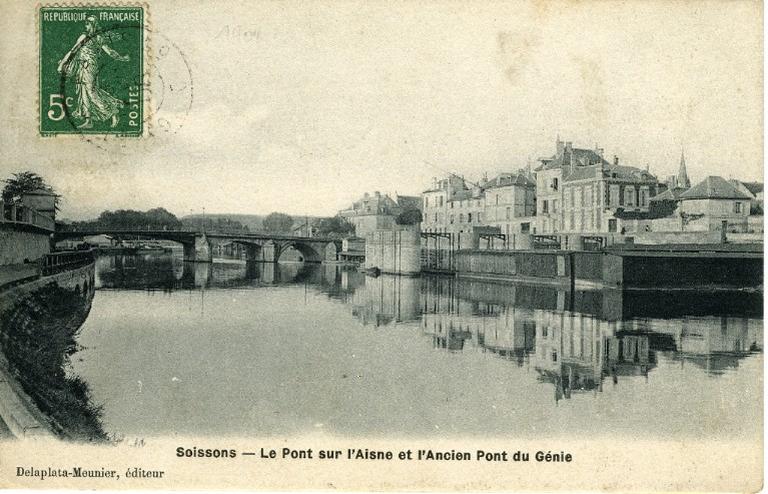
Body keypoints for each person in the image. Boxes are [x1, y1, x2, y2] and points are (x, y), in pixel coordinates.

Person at [57, 16, 130, 129]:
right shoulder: (83, 37)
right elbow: (72, 51)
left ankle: (113, 112)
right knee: (84, 92)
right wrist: (63, 63)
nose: (86, 26)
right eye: (86, 24)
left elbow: (109, 51)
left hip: (90, 67)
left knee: (91, 92)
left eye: (88, 24)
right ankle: (88, 120)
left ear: (93, 25)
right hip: (82, 67)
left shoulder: (98, 37)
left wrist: (121, 58)